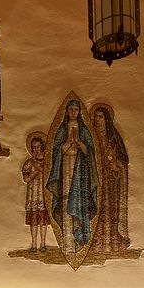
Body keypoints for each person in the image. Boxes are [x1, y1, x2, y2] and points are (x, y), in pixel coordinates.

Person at [45, 99, 99, 254]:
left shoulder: (83, 129)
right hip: (65, 171)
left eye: (76, 110)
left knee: (78, 202)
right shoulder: (62, 129)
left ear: (79, 112)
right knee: (65, 201)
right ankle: (68, 243)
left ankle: (79, 241)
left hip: (80, 174)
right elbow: (56, 151)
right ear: (67, 112)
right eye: (71, 110)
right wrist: (68, 144)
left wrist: (81, 145)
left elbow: (90, 152)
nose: (74, 112)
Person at [91, 103, 131, 253]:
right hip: (94, 181)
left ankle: (111, 243)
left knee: (109, 211)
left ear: (106, 119)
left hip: (110, 183)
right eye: (95, 116)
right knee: (96, 211)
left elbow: (123, 161)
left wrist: (115, 165)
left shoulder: (113, 138)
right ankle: (96, 243)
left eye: (100, 117)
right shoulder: (90, 137)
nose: (97, 119)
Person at [22, 132, 49, 252]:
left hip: (43, 195)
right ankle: (33, 244)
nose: (36, 149)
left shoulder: (48, 162)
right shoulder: (28, 163)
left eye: (38, 147)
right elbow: (26, 179)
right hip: (33, 196)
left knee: (43, 222)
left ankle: (43, 244)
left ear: (42, 147)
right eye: (33, 147)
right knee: (34, 222)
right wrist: (36, 170)